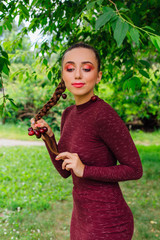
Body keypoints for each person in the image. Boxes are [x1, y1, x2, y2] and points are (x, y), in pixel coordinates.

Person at [30, 42, 143, 240]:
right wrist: (49, 138)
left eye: (87, 68)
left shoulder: (103, 115)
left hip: (108, 222)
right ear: (63, 76)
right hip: (81, 218)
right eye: (70, 68)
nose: (78, 75)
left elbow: (135, 169)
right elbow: (65, 172)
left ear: (98, 76)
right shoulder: (68, 114)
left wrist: (86, 170)